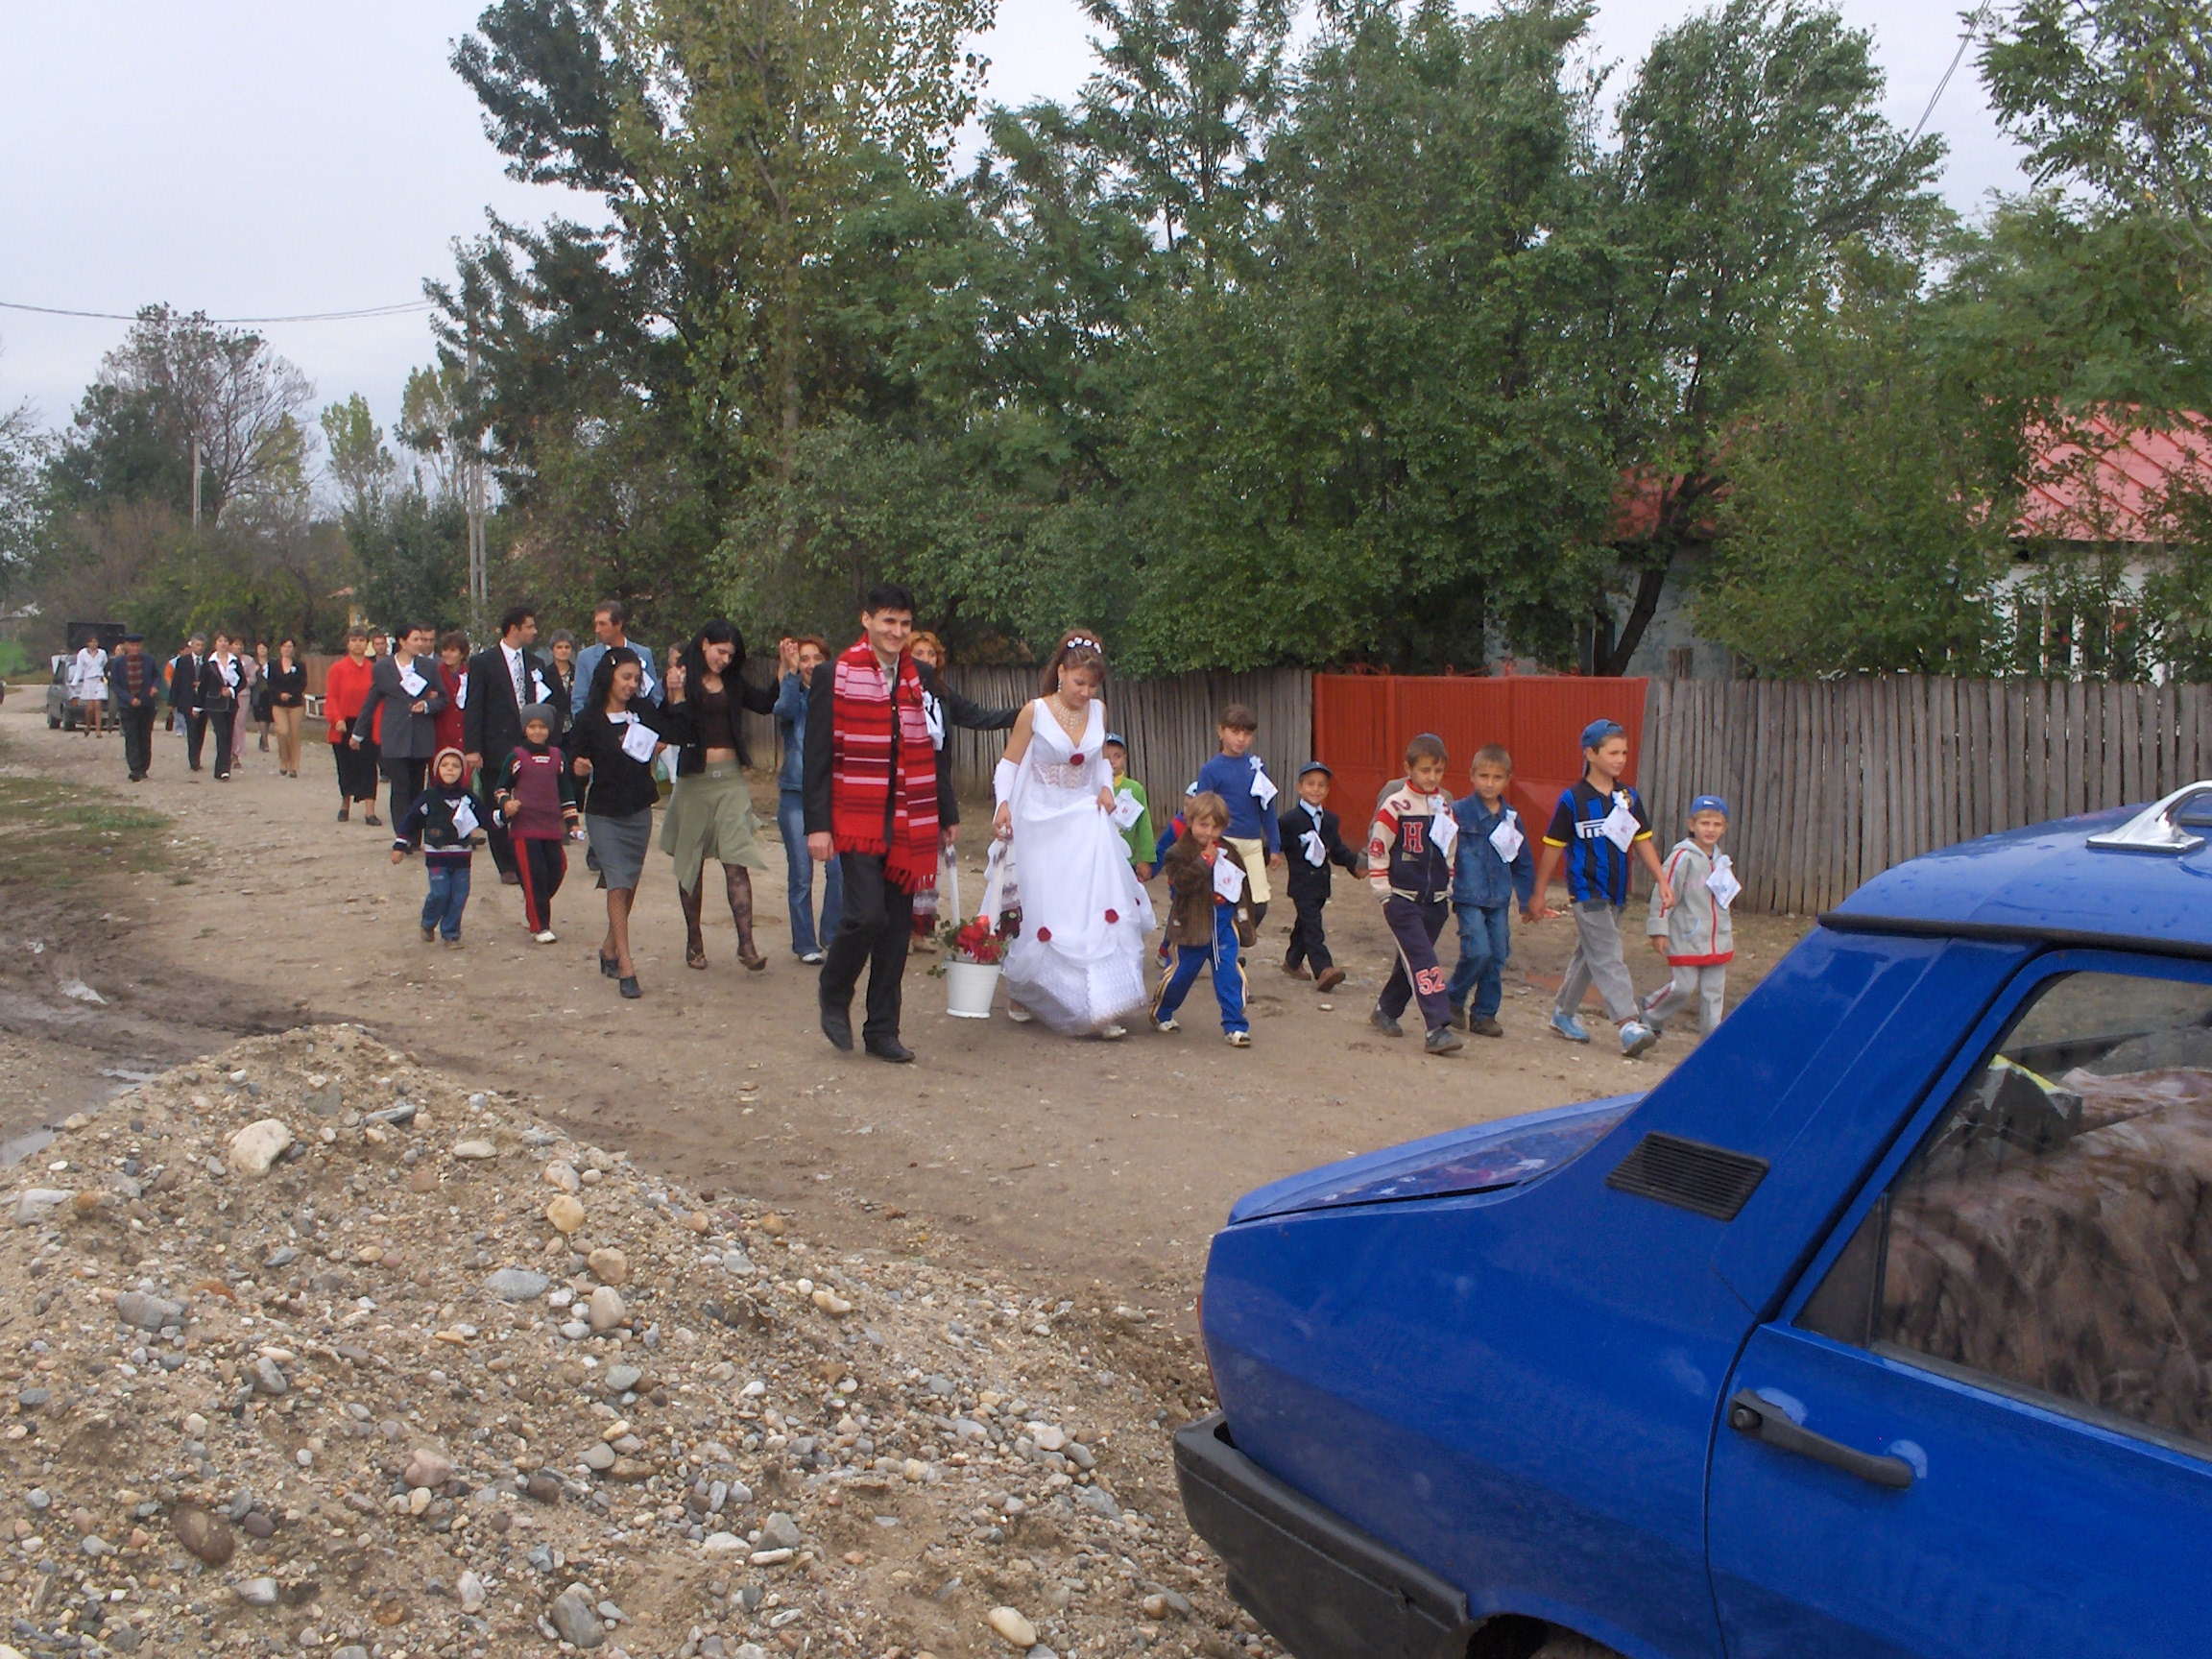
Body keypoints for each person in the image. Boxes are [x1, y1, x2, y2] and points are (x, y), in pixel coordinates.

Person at [803, 582, 950, 1064]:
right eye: (888, 621)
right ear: (866, 620)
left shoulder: (919, 676)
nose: (897, 631)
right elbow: (817, 754)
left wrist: (945, 813)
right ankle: (834, 987)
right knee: (866, 916)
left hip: (908, 817)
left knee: (895, 930)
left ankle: (882, 1030)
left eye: (905, 624)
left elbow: (934, 747)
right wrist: (817, 825)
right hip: (856, 814)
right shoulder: (834, 674)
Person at [990, 630, 1156, 1037]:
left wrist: (1105, 787)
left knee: (1092, 905)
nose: (1085, 692)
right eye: (1079, 682)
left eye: (1093, 685)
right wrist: (1003, 804)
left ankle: (1099, 1004)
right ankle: (1027, 990)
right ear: (1061, 672)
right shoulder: (1035, 711)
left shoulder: (1098, 711)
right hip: (1040, 818)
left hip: (1085, 817)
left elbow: (1099, 760)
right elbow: (1010, 763)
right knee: (1045, 905)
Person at [1528, 718, 1672, 1058]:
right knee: (1608, 953)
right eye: (1613, 753)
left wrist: (1662, 879)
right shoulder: (1573, 800)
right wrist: (1539, 892)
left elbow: (1642, 841)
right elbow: (1553, 847)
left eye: (1624, 753)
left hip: (1616, 891)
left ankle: (1563, 1013)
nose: (1620, 759)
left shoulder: (1628, 797)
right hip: (1586, 890)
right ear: (1590, 754)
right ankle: (1628, 1024)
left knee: (1590, 954)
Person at [661, 619, 779, 971]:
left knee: (736, 859)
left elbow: (765, 703)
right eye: (720, 651)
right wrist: (674, 695)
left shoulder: (733, 682)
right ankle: (694, 941)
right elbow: (673, 730)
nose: (725, 660)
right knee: (691, 863)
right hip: (694, 782)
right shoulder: (681, 678)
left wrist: (784, 670)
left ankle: (747, 944)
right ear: (704, 644)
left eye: (730, 654)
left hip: (730, 780)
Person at [905, 631, 1021, 950]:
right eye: (918, 653)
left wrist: (1023, 715)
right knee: (899, 863)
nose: (925, 659)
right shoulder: (895, 691)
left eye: (931, 654)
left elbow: (979, 716)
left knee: (927, 863)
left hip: (932, 788)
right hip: (900, 789)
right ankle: (893, 932)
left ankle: (918, 931)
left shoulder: (942, 694)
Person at [569, 648, 668, 997]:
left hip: (638, 809)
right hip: (604, 812)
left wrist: (661, 741)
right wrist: (578, 766)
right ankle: (626, 967)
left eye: (636, 679)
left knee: (630, 881)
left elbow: (669, 730)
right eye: (626, 677)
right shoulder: (589, 718)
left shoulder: (644, 711)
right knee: (617, 882)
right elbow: (572, 758)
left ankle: (609, 947)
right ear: (609, 676)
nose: (631, 684)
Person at [1366, 733, 1466, 1056]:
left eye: (1438, 771)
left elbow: (1451, 849)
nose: (1432, 777)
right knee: (1424, 960)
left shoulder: (1445, 807)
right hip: (1402, 898)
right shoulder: (1395, 805)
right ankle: (1437, 1027)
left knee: (1410, 960)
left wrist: (1448, 886)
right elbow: (1378, 849)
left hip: (1435, 900)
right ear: (1408, 768)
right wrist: (1384, 892)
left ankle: (1386, 1009)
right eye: (1425, 770)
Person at [1151, 792, 1258, 1046]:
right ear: (1190, 822)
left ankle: (1235, 1025)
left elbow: (1242, 886)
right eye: (1203, 825)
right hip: (1192, 923)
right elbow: (1180, 884)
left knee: (1229, 974)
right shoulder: (1178, 852)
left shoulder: (1229, 850)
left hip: (1223, 921)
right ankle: (1162, 1011)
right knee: (1180, 975)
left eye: (1215, 827)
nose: (1209, 832)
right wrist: (1204, 862)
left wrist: (1243, 917)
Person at [465, 606, 562, 883]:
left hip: (529, 744)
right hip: (496, 744)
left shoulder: (535, 663)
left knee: (527, 801)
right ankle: (505, 863)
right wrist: (473, 748)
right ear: (513, 629)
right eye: (529, 626)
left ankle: (525, 857)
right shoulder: (484, 662)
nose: (534, 631)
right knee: (498, 801)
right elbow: (474, 706)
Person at [1446, 745, 1535, 1037]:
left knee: (1497, 954)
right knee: (1477, 951)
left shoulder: (1511, 819)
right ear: (1472, 776)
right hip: (1467, 896)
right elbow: (1443, 850)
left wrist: (1527, 900)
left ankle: (1484, 1014)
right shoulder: (1457, 813)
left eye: (1497, 777)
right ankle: (1452, 997)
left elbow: (1522, 861)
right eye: (1483, 776)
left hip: (1498, 899)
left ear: (1507, 780)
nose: (1489, 783)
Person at [1642, 795, 1735, 1037]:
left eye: (1716, 824)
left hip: (1717, 939)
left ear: (1724, 828)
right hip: (1687, 936)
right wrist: (1659, 928)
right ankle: (1652, 1012)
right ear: (1692, 825)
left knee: (1714, 993)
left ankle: (1710, 1041)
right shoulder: (1682, 857)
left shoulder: (1721, 861)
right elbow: (1664, 892)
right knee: (1683, 987)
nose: (1710, 829)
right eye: (1705, 823)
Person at [774, 637, 840, 964]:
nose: (811, 664)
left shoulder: (839, 698)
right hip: (795, 793)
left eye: (817, 657)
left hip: (833, 795)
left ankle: (832, 935)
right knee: (801, 873)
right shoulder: (794, 697)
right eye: (804, 658)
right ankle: (804, 943)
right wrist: (788, 672)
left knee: (839, 871)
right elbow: (782, 710)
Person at [353, 623, 448, 849]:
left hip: (420, 734)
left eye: (423, 639)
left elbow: (443, 698)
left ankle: (415, 837)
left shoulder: (429, 667)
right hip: (394, 735)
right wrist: (358, 733)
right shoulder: (383, 668)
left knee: (416, 787)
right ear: (402, 642)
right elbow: (371, 701)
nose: (420, 643)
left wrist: (427, 705)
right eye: (416, 639)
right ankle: (402, 836)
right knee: (400, 786)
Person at [1191, 705, 1284, 926]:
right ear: (1220, 731)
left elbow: (1266, 807)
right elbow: (1201, 810)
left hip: (1252, 844)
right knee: (1226, 899)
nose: (1241, 739)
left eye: (1247, 733)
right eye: (1235, 732)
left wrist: (1274, 845)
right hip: (1224, 843)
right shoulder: (1211, 770)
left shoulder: (1256, 767)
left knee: (1258, 903)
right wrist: (1203, 844)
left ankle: (1236, 941)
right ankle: (1225, 944)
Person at [493, 705, 577, 943]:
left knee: (558, 868)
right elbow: (500, 788)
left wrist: (572, 822)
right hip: (525, 827)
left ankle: (534, 904)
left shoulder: (559, 757)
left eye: (542, 726)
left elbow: (566, 791)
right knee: (533, 875)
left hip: (551, 827)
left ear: (549, 729)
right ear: (525, 729)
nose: (537, 731)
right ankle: (540, 926)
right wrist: (507, 803)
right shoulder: (515, 757)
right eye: (532, 726)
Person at [1278, 761, 1360, 992]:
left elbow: (1337, 849)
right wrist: (1265, 859)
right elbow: (1276, 845)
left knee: (1305, 924)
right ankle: (1324, 969)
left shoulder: (1330, 820)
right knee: (1313, 926)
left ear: (1327, 790)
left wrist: (1355, 865)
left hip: (1321, 883)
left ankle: (1292, 961)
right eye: (1310, 784)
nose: (1316, 789)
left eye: (1321, 785)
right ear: (1300, 787)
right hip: (1302, 884)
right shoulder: (1289, 821)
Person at [396, 748, 479, 946]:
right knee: (440, 893)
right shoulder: (429, 798)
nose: (450, 769)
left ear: (462, 771)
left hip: (462, 856)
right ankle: (428, 922)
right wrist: (400, 845)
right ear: (436, 770)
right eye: (445, 765)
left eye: (455, 766)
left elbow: (485, 817)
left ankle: (451, 933)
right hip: (437, 855)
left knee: (459, 897)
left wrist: (504, 816)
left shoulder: (468, 798)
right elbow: (411, 821)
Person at [324, 627, 381, 823]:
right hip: (344, 723)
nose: (358, 644)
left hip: (368, 723)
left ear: (367, 644)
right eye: (354, 640)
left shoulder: (374, 669)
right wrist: (336, 719)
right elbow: (331, 697)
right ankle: (345, 804)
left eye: (361, 640)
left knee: (369, 765)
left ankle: (370, 811)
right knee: (346, 766)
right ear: (348, 644)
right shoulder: (337, 669)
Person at [571, 600, 658, 717]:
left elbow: (654, 696)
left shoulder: (643, 654)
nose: (597, 630)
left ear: (618, 624)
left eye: (602, 624)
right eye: (596, 624)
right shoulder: (586, 657)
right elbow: (578, 700)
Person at [106, 634, 162, 781]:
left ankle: (144, 766)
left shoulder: (149, 661)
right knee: (131, 737)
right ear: (126, 646)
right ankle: (135, 768)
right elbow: (114, 684)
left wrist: (155, 687)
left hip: (146, 705)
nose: (135, 648)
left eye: (138, 645)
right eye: (132, 645)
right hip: (127, 706)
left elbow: (157, 676)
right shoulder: (118, 663)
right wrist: (129, 699)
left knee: (144, 736)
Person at [1104, 734, 1154, 881]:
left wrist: (1146, 859)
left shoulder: (1135, 789)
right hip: (1100, 859)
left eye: (1117, 756)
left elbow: (1144, 826)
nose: (1112, 761)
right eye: (1106, 757)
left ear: (1124, 758)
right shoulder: (1093, 787)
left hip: (1127, 861)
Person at [197, 633, 242, 781]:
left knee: (228, 734)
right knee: (221, 733)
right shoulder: (209, 663)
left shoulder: (235, 661)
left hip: (231, 704)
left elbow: (242, 681)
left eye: (225, 641)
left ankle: (224, 769)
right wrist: (197, 706)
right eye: (220, 641)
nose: (223, 643)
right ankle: (221, 767)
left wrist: (232, 691)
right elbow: (203, 685)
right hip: (214, 703)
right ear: (215, 644)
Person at [264, 639, 306, 777]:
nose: (287, 649)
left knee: (295, 734)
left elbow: (302, 683)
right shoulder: (273, 665)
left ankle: (294, 766)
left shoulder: (300, 666)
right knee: (283, 731)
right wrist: (280, 694)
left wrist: (292, 694)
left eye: (290, 647)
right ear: (280, 648)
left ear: (293, 649)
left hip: (295, 704)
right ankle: (284, 760)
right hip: (278, 704)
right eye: (285, 646)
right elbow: (270, 683)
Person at [432, 631, 470, 764]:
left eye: (453, 650)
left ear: (462, 654)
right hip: (440, 734)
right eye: (445, 650)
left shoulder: (470, 674)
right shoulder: (435, 672)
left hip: (464, 735)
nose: (447, 654)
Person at [167, 634, 205, 763]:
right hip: (188, 699)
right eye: (197, 645)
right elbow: (176, 682)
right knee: (192, 729)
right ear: (192, 645)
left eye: (202, 645)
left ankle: (197, 754)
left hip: (203, 701)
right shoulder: (183, 661)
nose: (200, 648)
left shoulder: (209, 661)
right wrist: (172, 701)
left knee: (200, 731)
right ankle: (193, 759)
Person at [70, 638, 108, 737]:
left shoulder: (102, 653)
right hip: (88, 681)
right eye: (91, 642)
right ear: (88, 643)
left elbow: (104, 663)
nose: (94, 644)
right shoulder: (82, 653)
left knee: (98, 704)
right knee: (90, 708)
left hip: (99, 680)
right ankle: (88, 725)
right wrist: (74, 682)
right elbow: (79, 669)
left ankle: (98, 729)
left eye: (96, 642)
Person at [544, 629, 578, 714]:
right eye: (559, 647)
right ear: (552, 650)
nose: (563, 650)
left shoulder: (578, 673)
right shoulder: (544, 674)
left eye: (567, 647)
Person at [251, 640, 274, 753]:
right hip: (257, 692)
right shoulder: (253, 663)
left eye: (264, 648)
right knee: (260, 717)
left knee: (268, 717)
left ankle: (263, 737)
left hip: (269, 692)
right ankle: (265, 742)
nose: (262, 650)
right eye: (260, 648)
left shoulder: (272, 663)